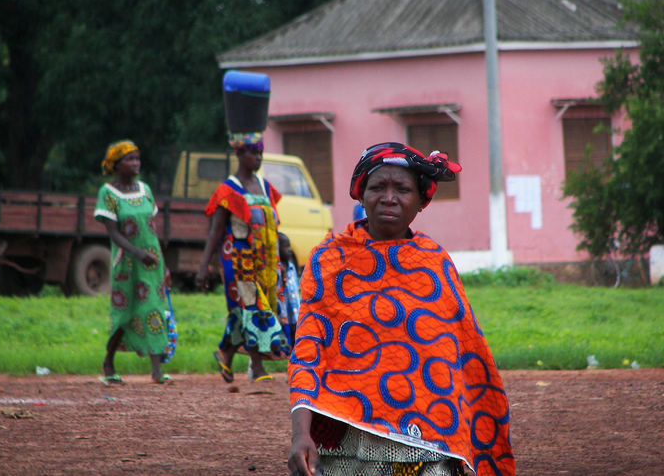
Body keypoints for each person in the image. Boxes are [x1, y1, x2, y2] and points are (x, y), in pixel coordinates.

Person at [287, 142, 514, 476]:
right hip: (347, 448)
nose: (389, 197)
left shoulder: (434, 265)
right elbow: (307, 350)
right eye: (378, 187)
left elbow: (463, 359)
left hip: (428, 448)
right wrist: (300, 434)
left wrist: (463, 444)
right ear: (361, 195)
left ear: (421, 202)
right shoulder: (329, 262)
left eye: (403, 189)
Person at [195, 132, 290, 384]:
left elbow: (271, 223)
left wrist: (283, 243)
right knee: (253, 308)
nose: (258, 158)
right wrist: (203, 267)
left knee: (247, 311)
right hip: (240, 260)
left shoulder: (265, 186)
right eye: (253, 152)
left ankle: (225, 353)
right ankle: (257, 367)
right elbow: (215, 231)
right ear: (238, 154)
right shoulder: (228, 189)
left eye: (260, 153)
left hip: (268, 262)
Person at [94, 140, 172, 385]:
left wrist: (164, 264)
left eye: (137, 158)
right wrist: (138, 253)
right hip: (126, 264)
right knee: (124, 313)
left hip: (152, 262)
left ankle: (157, 370)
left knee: (154, 309)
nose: (136, 163)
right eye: (129, 159)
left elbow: (152, 229)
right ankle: (108, 362)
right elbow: (114, 234)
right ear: (116, 165)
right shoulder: (108, 193)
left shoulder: (145, 190)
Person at [277, 231, 301, 347]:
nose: (289, 250)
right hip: (285, 311)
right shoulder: (278, 269)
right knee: (286, 337)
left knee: (296, 334)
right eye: (286, 247)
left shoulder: (291, 266)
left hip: (295, 310)